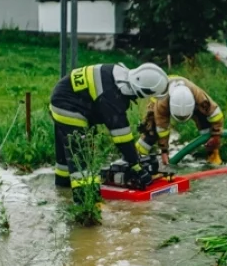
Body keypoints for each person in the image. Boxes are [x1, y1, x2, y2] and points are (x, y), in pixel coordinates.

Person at [49, 62, 169, 203]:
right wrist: (136, 166)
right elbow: (122, 137)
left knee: (65, 162)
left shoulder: (117, 75)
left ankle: (62, 192)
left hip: (62, 99)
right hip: (69, 108)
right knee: (82, 161)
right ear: (143, 91)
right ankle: (88, 206)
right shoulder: (112, 96)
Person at [136, 76, 226, 166]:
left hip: (189, 98)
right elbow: (162, 129)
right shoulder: (162, 104)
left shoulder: (199, 96)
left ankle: (212, 154)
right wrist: (164, 150)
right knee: (152, 129)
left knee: (205, 121)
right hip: (160, 99)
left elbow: (216, 115)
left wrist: (216, 136)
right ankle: (137, 156)